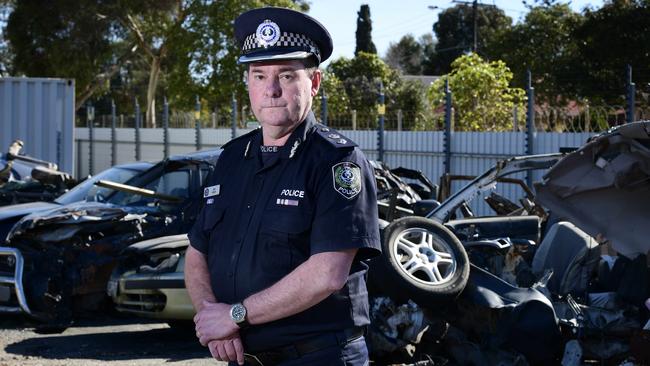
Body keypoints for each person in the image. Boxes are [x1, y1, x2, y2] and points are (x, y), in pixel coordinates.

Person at [185, 6, 381, 366]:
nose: (271, 90)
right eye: (259, 76)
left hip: (318, 358)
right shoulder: (231, 159)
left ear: (315, 83)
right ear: (248, 84)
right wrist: (212, 316)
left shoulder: (337, 161)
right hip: (244, 357)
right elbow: (197, 252)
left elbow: (328, 273)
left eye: (287, 76)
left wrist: (234, 316)